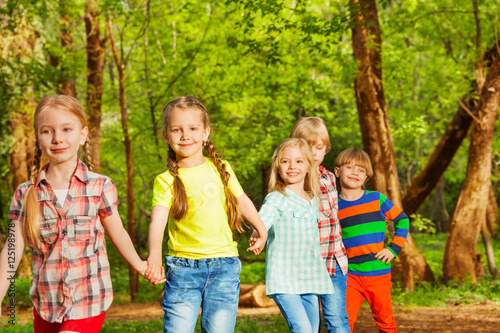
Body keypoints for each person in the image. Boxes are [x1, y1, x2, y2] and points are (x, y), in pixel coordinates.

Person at [0, 95, 149, 333]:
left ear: (82, 134)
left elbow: (118, 234)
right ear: (38, 138)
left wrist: (141, 265)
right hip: (47, 304)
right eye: (47, 131)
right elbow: (12, 250)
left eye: (67, 129)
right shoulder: (25, 193)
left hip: (88, 299)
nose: (58, 138)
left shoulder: (100, 186)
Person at [145, 96, 267, 333]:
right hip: (182, 270)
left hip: (224, 267)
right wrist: (154, 256)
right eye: (176, 130)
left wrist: (261, 229)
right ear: (166, 136)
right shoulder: (166, 180)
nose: (185, 135)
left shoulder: (221, 168)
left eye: (192, 128)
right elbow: (157, 221)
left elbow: (242, 202)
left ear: (205, 132)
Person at [257, 138, 334, 333]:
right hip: (284, 279)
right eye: (285, 161)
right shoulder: (276, 198)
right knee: (303, 329)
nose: (292, 166)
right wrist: (259, 235)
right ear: (278, 168)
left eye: (299, 161)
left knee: (313, 329)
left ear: (309, 166)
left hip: (310, 277)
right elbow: (262, 220)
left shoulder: (313, 199)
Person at [334, 148, 409, 333]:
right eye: (349, 167)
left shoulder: (376, 199)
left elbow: (403, 219)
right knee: (343, 320)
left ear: (366, 176)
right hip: (349, 273)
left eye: (361, 170)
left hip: (377, 272)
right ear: (337, 171)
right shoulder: (333, 205)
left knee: (384, 320)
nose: (355, 173)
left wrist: (393, 249)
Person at [290, 117, 350, 332]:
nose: (314, 153)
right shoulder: (294, 180)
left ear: (326, 148)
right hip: (306, 263)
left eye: (319, 147)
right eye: (307, 147)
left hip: (334, 261)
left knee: (337, 318)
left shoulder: (331, 178)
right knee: (308, 323)